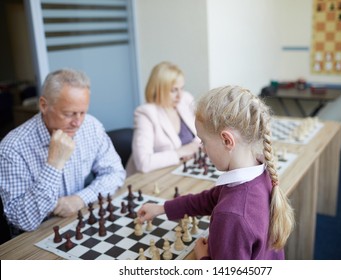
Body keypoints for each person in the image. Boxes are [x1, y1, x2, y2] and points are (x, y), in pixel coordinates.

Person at [137, 85, 295, 260]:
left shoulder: (232, 216)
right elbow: (210, 199)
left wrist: (202, 257)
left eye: (203, 141)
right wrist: (162, 208)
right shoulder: (260, 172)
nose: (202, 148)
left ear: (227, 140)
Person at [0, 69, 125, 233]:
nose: (78, 122)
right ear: (44, 105)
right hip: (34, 238)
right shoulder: (12, 148)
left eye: (83, 113)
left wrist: (80, 199)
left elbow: (115, 173)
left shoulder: (91, 127)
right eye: (69, 114)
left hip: (78, 222)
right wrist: (54, 164)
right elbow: (22, 221)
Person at [125, 61, 201, 175]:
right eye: (174, 90)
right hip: (153, 178)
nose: (180, 95)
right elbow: (143, 162)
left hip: (182, 170)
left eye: (182, 88)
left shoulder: (185, 99)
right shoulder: (145, 113)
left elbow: (200, 134)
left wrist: (194, 147)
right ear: (159, 90)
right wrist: (180, 152)